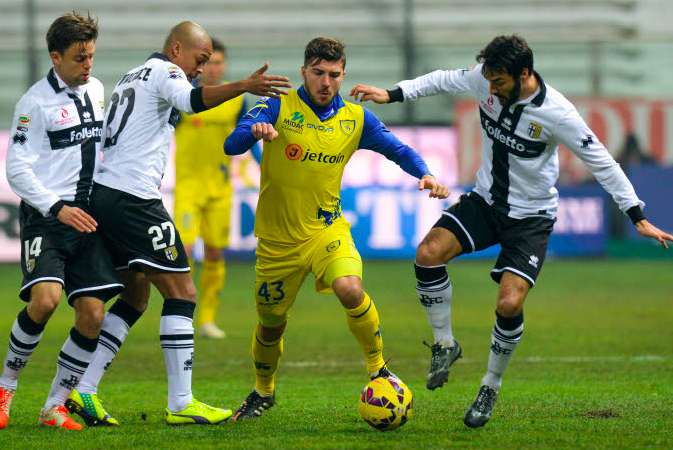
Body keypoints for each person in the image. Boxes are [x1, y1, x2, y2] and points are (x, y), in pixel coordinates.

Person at [350, 34, 673, 428]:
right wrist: (393, 93)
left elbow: (600, 159)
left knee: (509, 303)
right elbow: (442, 80)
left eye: (499, 80)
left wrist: (635, 214)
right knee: (428, 253)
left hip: (531, 218)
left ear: (524, 74)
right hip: (486, 201)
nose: (491, 87)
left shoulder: (558, 113)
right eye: (487, 78)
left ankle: (490, 385)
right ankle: (445, 345)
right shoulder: (485, 80)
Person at [65, 21, 292, 426]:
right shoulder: (167, 73)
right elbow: (191, 101)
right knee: (183, 291)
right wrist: (242, 85)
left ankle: (84, 389)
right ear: (176, 50)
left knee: (135, 296)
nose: (201, 68)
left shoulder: (133, 74)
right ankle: (181, 402)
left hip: (107, 192)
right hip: (134, 199)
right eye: (199, 60)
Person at [224, 37, 449, 420]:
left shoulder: (356, 119)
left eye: (333, 74)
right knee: (271, 325)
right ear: (304, 73)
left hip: (327, 229)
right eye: (318, 73)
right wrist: (255, 131)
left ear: (343, 75)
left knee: (350, 288)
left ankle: (378, 368)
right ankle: (264, 390)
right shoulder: (276, 105)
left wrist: (425, 173)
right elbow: (232, 144)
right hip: (278, 240)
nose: (325, 82)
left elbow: (399, 150)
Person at [0, 12, 124, 430]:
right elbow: (17, 169)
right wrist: (57, 208)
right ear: (55, 57)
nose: (88, 66)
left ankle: (55, 405)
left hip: (86, 218)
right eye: (79, 58)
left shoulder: (97, 89)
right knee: (46, 300)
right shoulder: (34, 103)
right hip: (49, 218)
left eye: (91, 56)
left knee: (92, 314)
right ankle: (5, 388)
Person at [174, 38, 262, 339]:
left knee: (214, 253)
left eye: (219, 63)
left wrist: (266, 169)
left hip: (221, 189)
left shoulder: (236, 100)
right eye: (209, 62)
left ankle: (208, 319)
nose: (214, 68)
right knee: (183, 252)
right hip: (188, 188)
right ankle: (181, 313)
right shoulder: (185, 97)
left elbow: (248, 137)